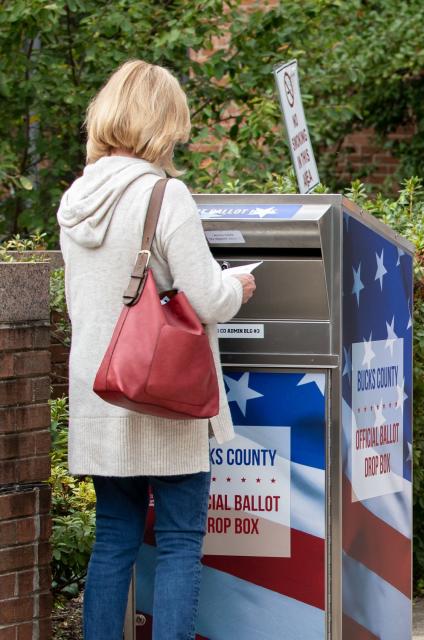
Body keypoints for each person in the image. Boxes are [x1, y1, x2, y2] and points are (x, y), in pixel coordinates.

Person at [57, 60, 256, 639]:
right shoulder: (164, 196)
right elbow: (210, 299)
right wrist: (238, 285)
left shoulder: (76, 199)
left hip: (101, 391)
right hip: (164, 397)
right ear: (163, 122)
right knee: (177, 541)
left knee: (113, 538)